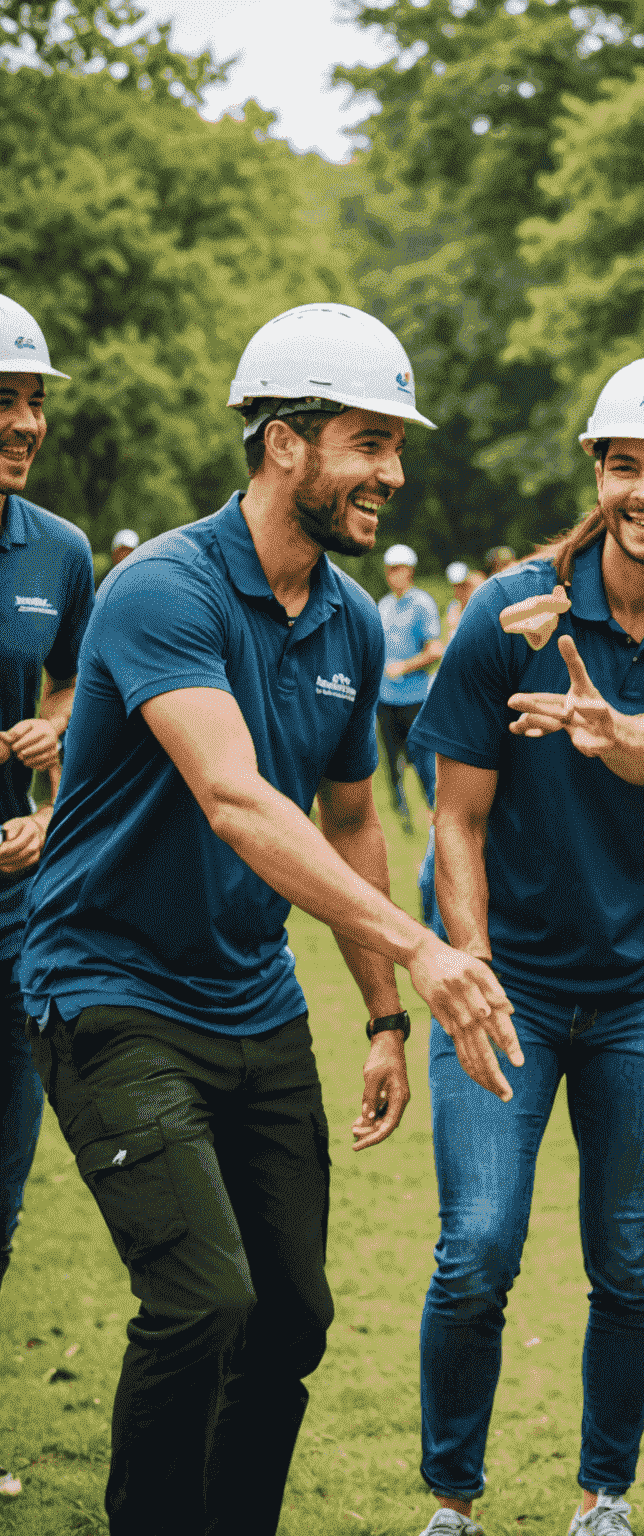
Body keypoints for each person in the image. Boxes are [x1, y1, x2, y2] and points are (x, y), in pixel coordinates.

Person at [18, 301, 513, 1536]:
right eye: (368, 442)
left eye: (396, 446)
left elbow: (352, 818)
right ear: (283, 441)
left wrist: (386, 1015)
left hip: (254, 999)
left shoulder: (346, 617)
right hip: (111, 988)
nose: (392, 473)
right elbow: (237, 798)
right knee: (200, 1304)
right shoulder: (161, 591)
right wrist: (425, 945)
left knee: (290, 1319)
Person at [408, 351, 644, 1536]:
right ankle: (452, 1504)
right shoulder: (511, 616)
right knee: (477, 1252)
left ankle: (602, 1499)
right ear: (597, 474)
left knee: (630, 1265)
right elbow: (454, 820)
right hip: (505, 985)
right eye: (627, 466)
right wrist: (468, 969)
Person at [0, 295, 94, 1296]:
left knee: (1, 1194)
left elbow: (78, 685)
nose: (27, 421)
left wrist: (54, 725)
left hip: (15, 920)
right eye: (4, 399)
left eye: (33, 401)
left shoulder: (58, 552)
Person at [377, 542, 442, 832]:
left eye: (399, 569)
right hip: (386, 699)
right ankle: (404, 820)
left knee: (424, 763)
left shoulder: (422, 604)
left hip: (415, 699)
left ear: (410, 571)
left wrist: (404, 666)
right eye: (390, 569)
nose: (394, 575)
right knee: (393, 767)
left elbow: (434, 650)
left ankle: (436, 816)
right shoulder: (384, 605)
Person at [444, 559, 485, 642]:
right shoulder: (454, 608)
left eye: (464, 585)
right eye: (457, 586)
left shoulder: (483, 599)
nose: (460, 590)